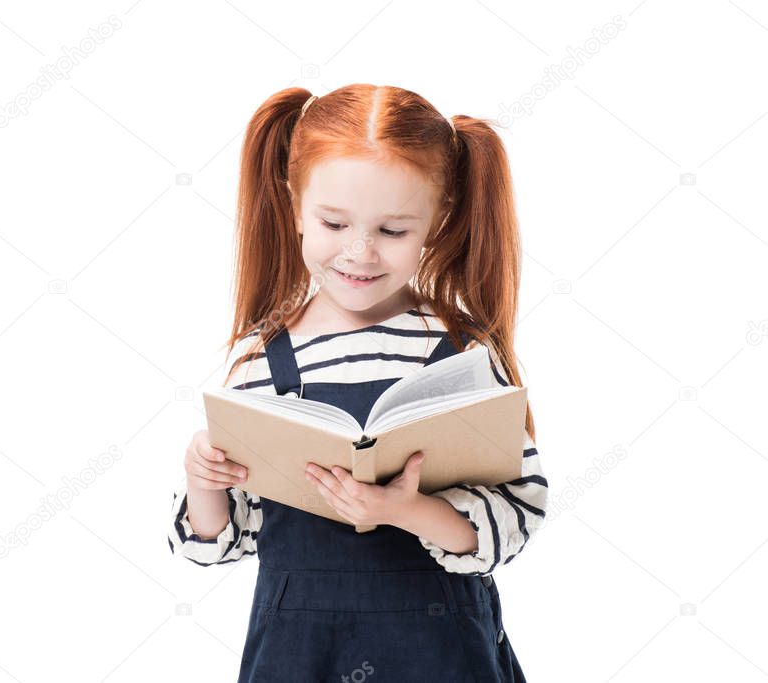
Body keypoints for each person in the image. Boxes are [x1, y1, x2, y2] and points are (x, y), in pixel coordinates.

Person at [167, 83, 548, 682]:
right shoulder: (263, 362)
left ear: (438, 219)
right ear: (294, 204)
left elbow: (516, 515)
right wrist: (203, 481)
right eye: (334, 223)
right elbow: (216, 541)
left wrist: (410, 511)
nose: (360, 253)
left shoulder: (463, 354)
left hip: (442, 654)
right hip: (301, 657)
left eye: (393, 231)